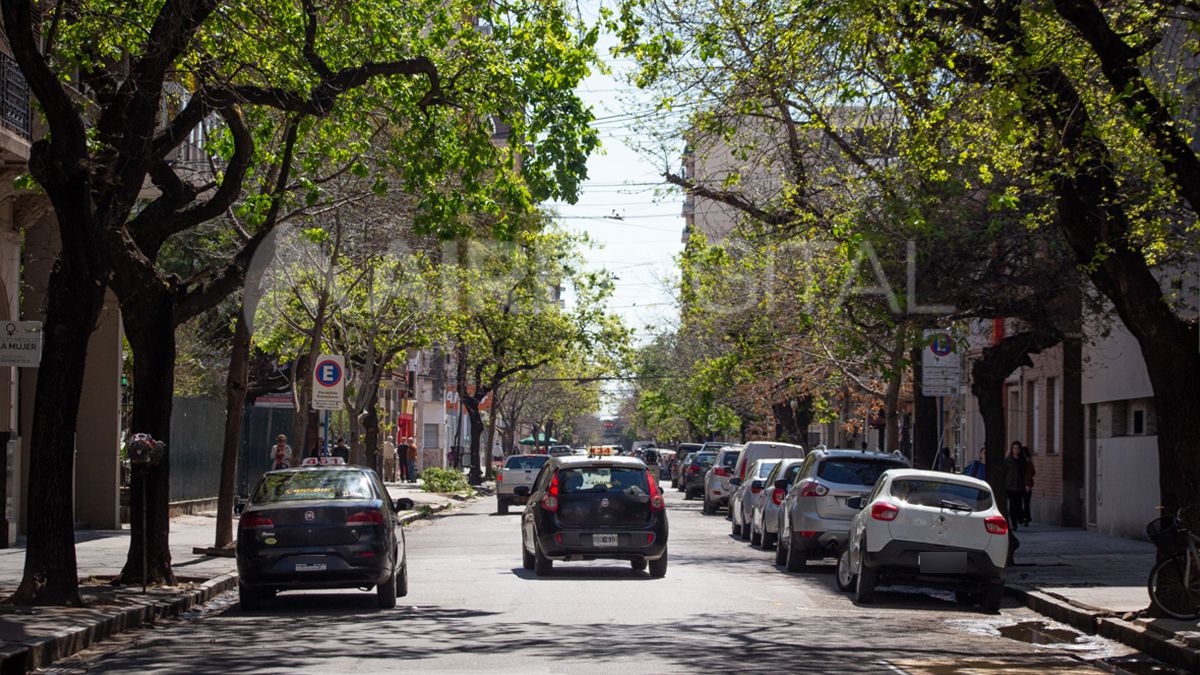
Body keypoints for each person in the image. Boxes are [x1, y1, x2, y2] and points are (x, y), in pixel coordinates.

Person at [1004, 441, 1026, 530]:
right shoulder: (1008, 460)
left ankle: (1019, 518)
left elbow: (1025, 473)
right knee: (1012, 505)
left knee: (1019, 505)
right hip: (1010, 486)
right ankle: (1013, 523)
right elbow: (1004, 472)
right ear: (1012, 449)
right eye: (1014, 448)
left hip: (1020, 486)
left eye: (1017, 448)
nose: (1016, 450)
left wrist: (1026, 484)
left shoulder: (1023, 460)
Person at [1020, 444, 1036, 526]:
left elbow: (1029, 473)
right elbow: (1033, 473)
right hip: (1026, 485)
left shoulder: (1027, 462)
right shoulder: (1029, 461)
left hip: (1025, 485)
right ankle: (1025, 518)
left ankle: (1025, 518)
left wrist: (1027, 484)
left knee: (1024, 503)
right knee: (1026, 503)